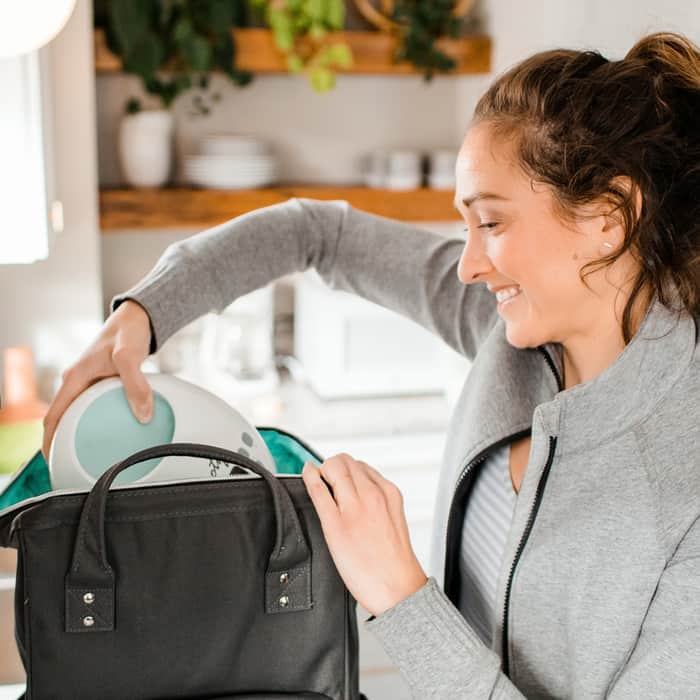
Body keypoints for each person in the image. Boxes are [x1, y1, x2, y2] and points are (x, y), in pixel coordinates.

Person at [43, 31, 700, 698]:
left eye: (492, 225)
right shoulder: (511, 328)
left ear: (609, 216)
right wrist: (143, 315)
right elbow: (316, 233)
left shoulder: (686, 482)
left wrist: (399, 592)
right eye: (464, 226)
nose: (469, 265)